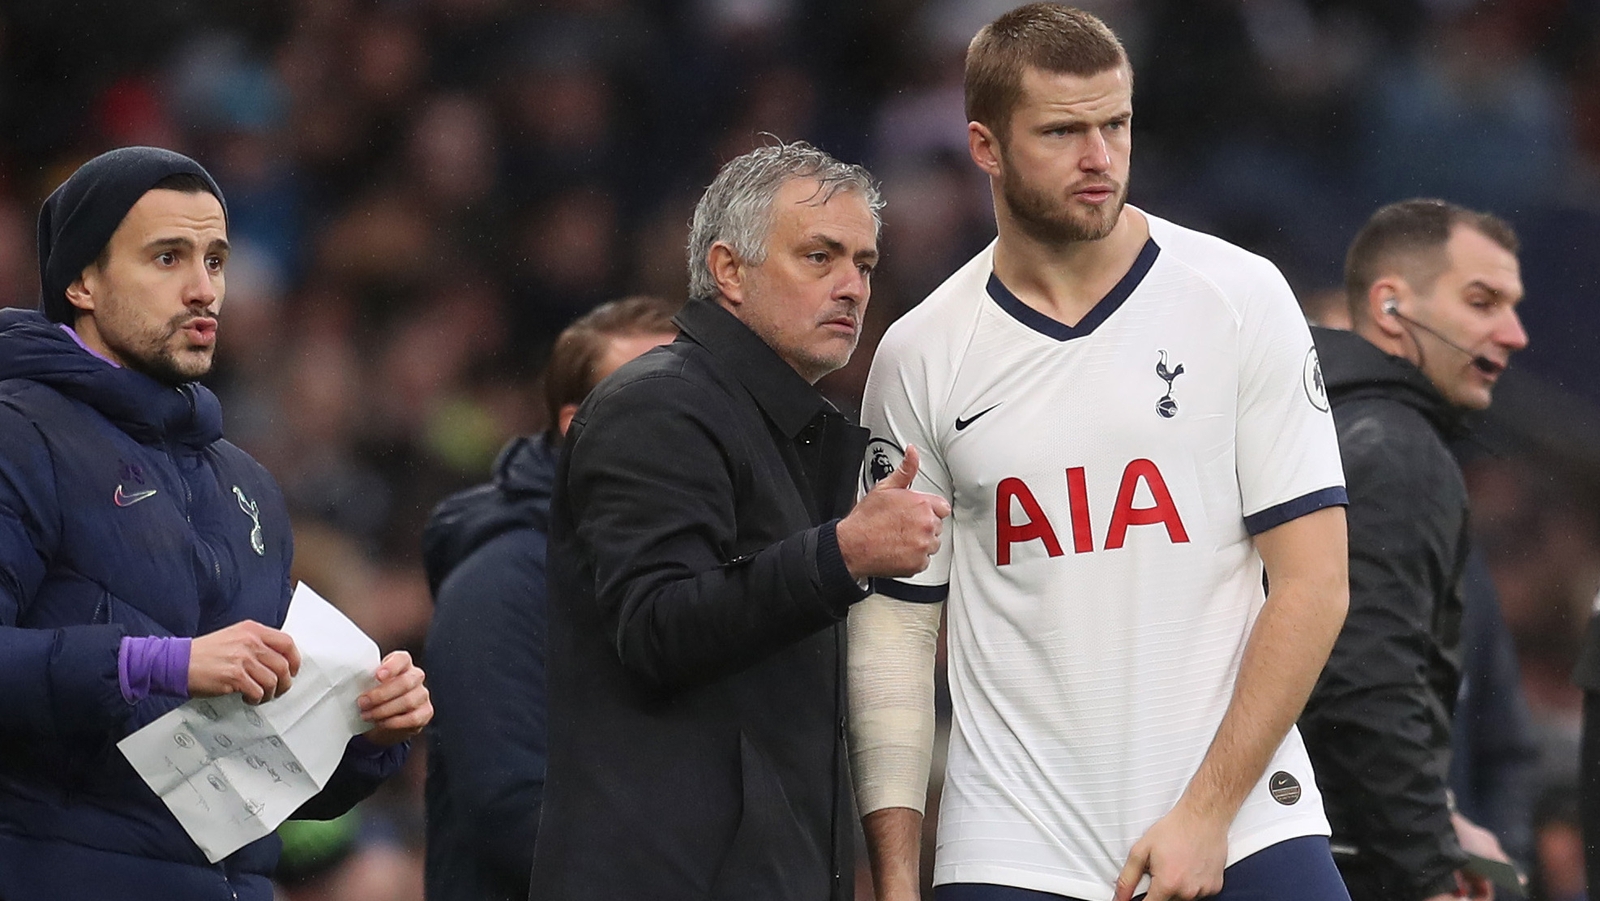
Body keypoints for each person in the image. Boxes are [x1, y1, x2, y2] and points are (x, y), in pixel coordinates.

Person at [846, 6, 1352, 901]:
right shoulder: (920, 354)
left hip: (1245, 822)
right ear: (985, 145)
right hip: (1014, 847)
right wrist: (894, 875)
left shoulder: (1238, 297)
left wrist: (1205, 813)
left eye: (1115, 124)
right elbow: (896, 624)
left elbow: (1314, 584)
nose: (1100, 157)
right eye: (1062, 131)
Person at [0, 147, 433, 901]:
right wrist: (156, 663)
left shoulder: (247, 484)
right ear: (81, 281)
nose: (205, 289)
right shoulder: (18, 432)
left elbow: (246, 790)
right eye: (167, 257)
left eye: (216, 259)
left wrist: (362, 733)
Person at [527, 140, 949, 901]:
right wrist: (841, 553)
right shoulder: (656, 405)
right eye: (819, 257)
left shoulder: (795, 435)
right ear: (728, 270)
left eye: (864, 264)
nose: (852, 286)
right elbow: (657, 625)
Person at [1300, 198, 1529, 901]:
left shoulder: (1308, 427)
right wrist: (1426, 866)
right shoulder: (1395, 449)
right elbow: (1364, 682)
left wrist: (1444, 820)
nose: (1514, 333)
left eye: (1513, 306)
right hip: (1349, 865)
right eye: (1482, 300)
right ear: (1391, 306)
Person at [420, 295, 678, 901]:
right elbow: (516, 817)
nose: (685, 418)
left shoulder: (711, 565)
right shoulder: (498, 585)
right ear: (576, 424)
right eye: (651, 396)